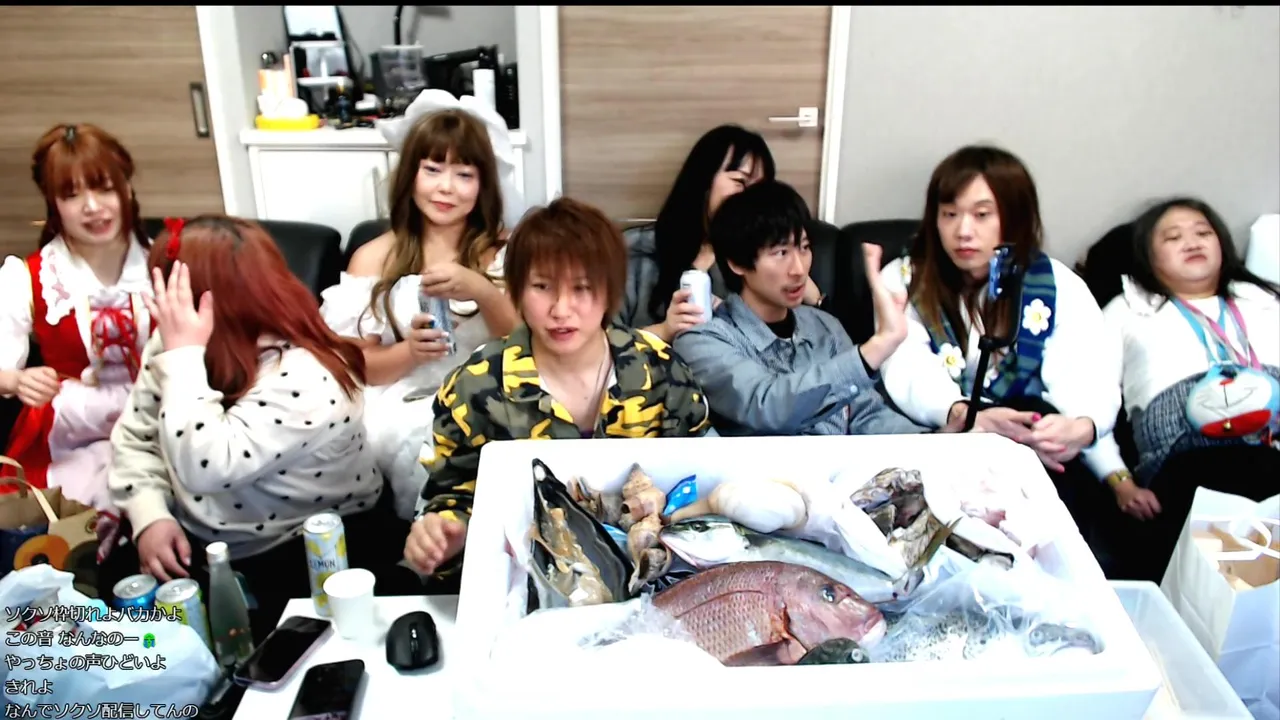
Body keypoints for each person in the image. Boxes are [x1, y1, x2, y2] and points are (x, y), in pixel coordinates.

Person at [104, 216, 393, 639]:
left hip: (306, 551)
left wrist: (183, 359)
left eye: (170, 288)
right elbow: (137, 436)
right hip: (205, 542)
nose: (161, 303)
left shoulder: (307, 375)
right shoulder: (180, 341)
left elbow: (207, 466)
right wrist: (149, 515)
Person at [403, 197, 712, 583]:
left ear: (610, 291)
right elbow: (451, 496)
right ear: (517, 290)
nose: (561, 309)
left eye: (582, 288)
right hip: (529, 582)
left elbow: (702, 474)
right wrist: (446, 533)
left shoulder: (659, 368)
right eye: (542, 286)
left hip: (654, 580)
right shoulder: (475, 386)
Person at [879, 146, 1125, 536]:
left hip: (1034, 443)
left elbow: (1089, 370)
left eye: (981, 215)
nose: (963, 231)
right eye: (949, 214)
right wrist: (965, 415)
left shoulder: (1057, 283)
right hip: (944, 437)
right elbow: (906, 366)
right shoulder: (902, 278)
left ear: (1014, 217)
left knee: (1036, 422)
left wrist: (1077, 427)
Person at [320, 107, 517, 522]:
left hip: (492, 389)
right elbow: (355, 365)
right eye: (432, 169)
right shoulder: (373, 257)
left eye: (464, 174)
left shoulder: (508, 251)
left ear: (483, 184)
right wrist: (409, 352)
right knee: (419, 439)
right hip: (401, 400)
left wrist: (483, 291)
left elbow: (528, 344)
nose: (446, 187)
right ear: (410, 174)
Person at [1098, 197, 1279, 581]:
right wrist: (1120, 482)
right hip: (1187, 464)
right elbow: (1090, 405)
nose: (1192, 242)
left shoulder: (1265, 300)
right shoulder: (1126, 311)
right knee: (1225, 576)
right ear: (1147, 256)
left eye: (1202, 233)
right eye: (1173, 237)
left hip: (1271, 450)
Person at [674, 180, 923, 437]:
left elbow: (867, 414)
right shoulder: (703, 340)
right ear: (737, 262)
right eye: (781, 252)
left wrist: (931, 442)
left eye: (804, 248)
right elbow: (767, 404)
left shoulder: (825, 326)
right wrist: (874, 349)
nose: (799, 269)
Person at [0, 123, 152, 512]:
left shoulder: (164, 261)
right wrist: (18, 380)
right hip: (74, 435)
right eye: (72, 195)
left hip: (160, 418)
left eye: (104, 189)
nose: (92, 207)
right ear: (53, 203)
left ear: (127, 188)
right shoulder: (29, 277)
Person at [619, 125, 827, 342]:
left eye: (759, 190)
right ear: (703, 180)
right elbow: (604, 342)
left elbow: (806, 343)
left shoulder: (768, 261)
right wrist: (664, 330)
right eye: (740, 182)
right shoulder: (636, 251)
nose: (749, 200)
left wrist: (814, 298)